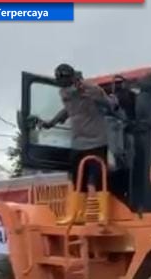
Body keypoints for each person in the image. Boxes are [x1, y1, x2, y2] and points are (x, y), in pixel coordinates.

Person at [40, 63, 117, 224]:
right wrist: (51, 123)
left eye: (62, 79)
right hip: (78, 142)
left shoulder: (90, 88)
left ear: (71, 77)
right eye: (58, 80)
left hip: (97, 140)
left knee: (99, 178)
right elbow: (67, 111)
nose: (60, 83)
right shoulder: (65, 93)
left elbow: (107, 103)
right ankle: (76, 215)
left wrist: (103, 98)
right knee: (77, 180)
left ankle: (103, 215)